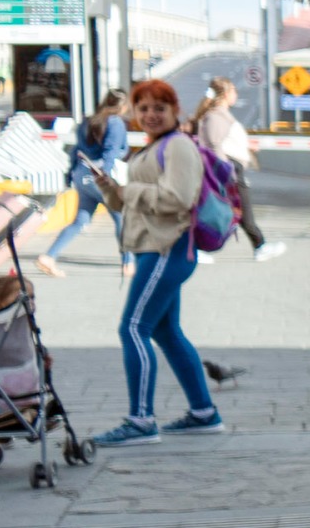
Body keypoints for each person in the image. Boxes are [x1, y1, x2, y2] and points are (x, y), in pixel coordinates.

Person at [89, 76, 226, 447]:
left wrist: (128, 190)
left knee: (133, 328)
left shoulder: (179, 146)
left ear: (174, 111)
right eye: (143, 108)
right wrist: (110, 189)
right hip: (154, 247)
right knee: (165, 332)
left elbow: (177, 198)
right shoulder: (153, 147)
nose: (150, 114)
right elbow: (133, 202)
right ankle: (203, 412)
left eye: (158, 108)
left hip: (168, 248)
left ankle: (141, 421)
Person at [36, 91, 130, 278]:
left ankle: (49, 256)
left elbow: (77, 149)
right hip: (100, 176)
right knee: (121, 216)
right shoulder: (115, 123)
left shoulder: (88, 121)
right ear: (123, 106)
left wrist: (70, 173)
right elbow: (110, 153)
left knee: (81, 219)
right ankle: (129, 262)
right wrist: (106, 177)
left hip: (82, 173)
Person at [191, 78, 286, 262]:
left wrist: (245, 146)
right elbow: (214, 146)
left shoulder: (219, 115)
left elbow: (223, 142)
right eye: (234, 91)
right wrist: (224, 173)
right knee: (231, 211)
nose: (236, 95)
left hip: (231, 169)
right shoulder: (215, 116)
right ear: (225, 94)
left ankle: (258, 245)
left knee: (234, 211)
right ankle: (258, 246)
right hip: (228, 171)